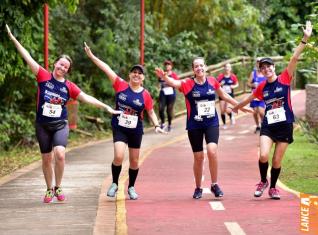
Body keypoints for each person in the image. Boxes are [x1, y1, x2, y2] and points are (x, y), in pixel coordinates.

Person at [6, 25, 121, 203]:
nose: (63, 68)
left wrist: (105, 107)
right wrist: (13, 39)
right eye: (61, 64)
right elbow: (27, 56)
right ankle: (49, 188)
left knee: (59, 154)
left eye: (66, 67)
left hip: (60, 124)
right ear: (55, 64)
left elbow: (86, 97)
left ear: (68, 70)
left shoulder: (69, 86)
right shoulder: (43, 76)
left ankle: (58, 186)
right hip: (42, 125)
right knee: (46, 159)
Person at [232, 21, 312, 200]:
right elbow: (249, 99)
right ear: (260, 71)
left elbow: (294, 58)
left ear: (273, 68)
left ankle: (273, 187)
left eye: (269, 66)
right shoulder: (261, 87)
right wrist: (236, 107)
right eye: (263, 68)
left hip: (285, 126)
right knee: (263, 155)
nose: (266, 69)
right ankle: (263, 181)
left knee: (276, 161)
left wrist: (305, 38)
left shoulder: (284, 78)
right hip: (268, 125)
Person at [155, 57, 252, 199]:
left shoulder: (212, 81)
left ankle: (214, 184)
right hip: (194, 125)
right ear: (193, 69)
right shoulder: (188, 84)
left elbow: (223, 95)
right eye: (196, 66)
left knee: (212, 151)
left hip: (211, 123)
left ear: (205, 67)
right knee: (198, 157)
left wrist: (239, 106)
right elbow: (174, 83)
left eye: (201, 65)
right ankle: (198, 187)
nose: (199, 68)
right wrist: (165, 77)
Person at [84, 42, 164, 200]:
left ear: (143, 78)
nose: (136, 75)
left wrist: (156, 125)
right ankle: (114, 183)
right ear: (129, 75)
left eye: (139, 73)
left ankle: (132, 187)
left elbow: (151, 112)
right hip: (119, 126)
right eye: (134, 72)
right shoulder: (120, 84)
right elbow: (106, 68)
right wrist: (92, 56)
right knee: (119, 156)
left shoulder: (145, 94)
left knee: (134, 160)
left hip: (136, 129)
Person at [156, 60, 179, 132]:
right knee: (161, 108)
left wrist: (169, 83)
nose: (167, 66)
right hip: (163, 93)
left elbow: (177, 83)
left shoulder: (174, 75)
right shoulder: (162, 74)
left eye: (168, 65)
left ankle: (169, 124)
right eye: (166, 65)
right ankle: (163, 123)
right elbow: (159, 83)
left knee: (169, 110)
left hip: (171, 93)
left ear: (171, 66)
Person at [217, 63, 239, 129]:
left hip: (230, 95)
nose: (227, 68)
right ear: (224, 68)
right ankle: (224, 124)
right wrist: (220, 84)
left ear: (230, 69)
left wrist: (233, 86)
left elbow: (237, 84)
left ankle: (231, 116)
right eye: (226, 67)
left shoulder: (233, 76)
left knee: (228, 110)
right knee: (222, 110)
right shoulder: (221, 76)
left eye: (228, 67)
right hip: (222, 95)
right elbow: (216, 84)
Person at [247, 59, 266, 133]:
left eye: (260, 63)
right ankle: (258, 126)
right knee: (254, 112)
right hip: (254, 96)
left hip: (262, 96)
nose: (259, 65)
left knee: (261, 112)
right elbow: (248, 83)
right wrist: (252, 85)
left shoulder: (265, 73)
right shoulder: (253, 73)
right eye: (257, 63)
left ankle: (263, 124)